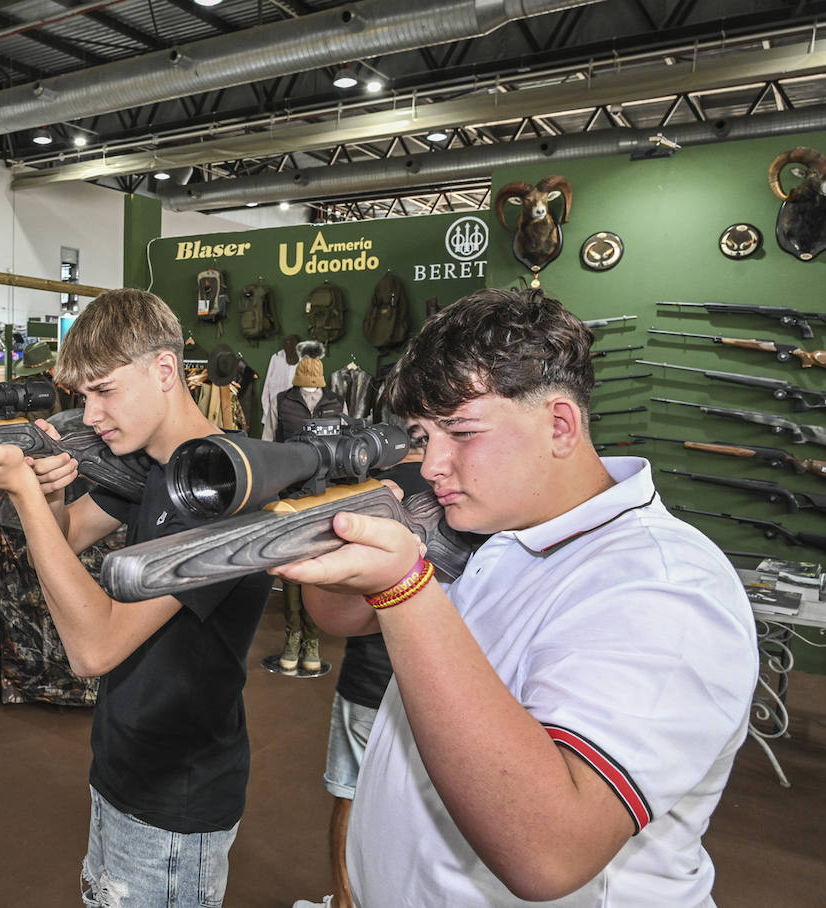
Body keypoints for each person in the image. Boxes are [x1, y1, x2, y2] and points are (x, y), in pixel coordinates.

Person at [276, 288, 758, 906]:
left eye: (461, 432)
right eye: (424, 435)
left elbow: (549, 853)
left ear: (559, 426)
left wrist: (404, 590)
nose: (432, 465)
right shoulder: (490, 522)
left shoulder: (667, 586)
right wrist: (338, 544)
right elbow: (340, 616)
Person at [0, 289, 273, 908]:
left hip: (176, 799)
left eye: (104, 390)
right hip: (121, 766)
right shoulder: (149, 466)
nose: (89, 415)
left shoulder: (223, 484)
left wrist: (22, 494)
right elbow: (64, 541)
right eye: (82, 396)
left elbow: (95, 648)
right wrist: (50, 495)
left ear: (164, 371)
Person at [293, 436, 428, 908]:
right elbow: (335, 612)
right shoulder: (374, 491)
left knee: (355, 795)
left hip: (389, 684)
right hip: (380, 681)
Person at [273, 341, 344, 674]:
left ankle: (311, 640)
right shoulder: (283, 401)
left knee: (317, 565)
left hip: (325, 493)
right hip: (291, 492)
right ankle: (293, 635)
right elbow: (272, 443)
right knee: (290, 567)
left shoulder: (335, 401)